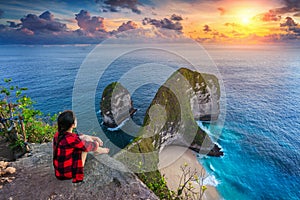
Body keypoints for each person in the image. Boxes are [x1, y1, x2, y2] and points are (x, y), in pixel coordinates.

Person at [53, 110, 109, 183]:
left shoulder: (58, 135)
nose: (76, 119)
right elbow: (91, 146)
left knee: (84, 140)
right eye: (75, 119)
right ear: (73, 125)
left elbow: (78, 136)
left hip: (59, 172)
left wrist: (94, 138)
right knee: (85, 147)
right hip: (68, 174)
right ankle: (102, 151)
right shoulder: (72, 140)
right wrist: (96, 143)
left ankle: (100, 150)